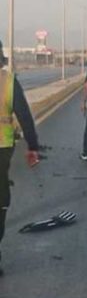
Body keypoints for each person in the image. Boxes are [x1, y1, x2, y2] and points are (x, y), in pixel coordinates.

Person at [0, 40, 39, 276]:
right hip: (2, 147)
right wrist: (32, 146)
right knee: (1, 200)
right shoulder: (8, 81)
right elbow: (24, 116)